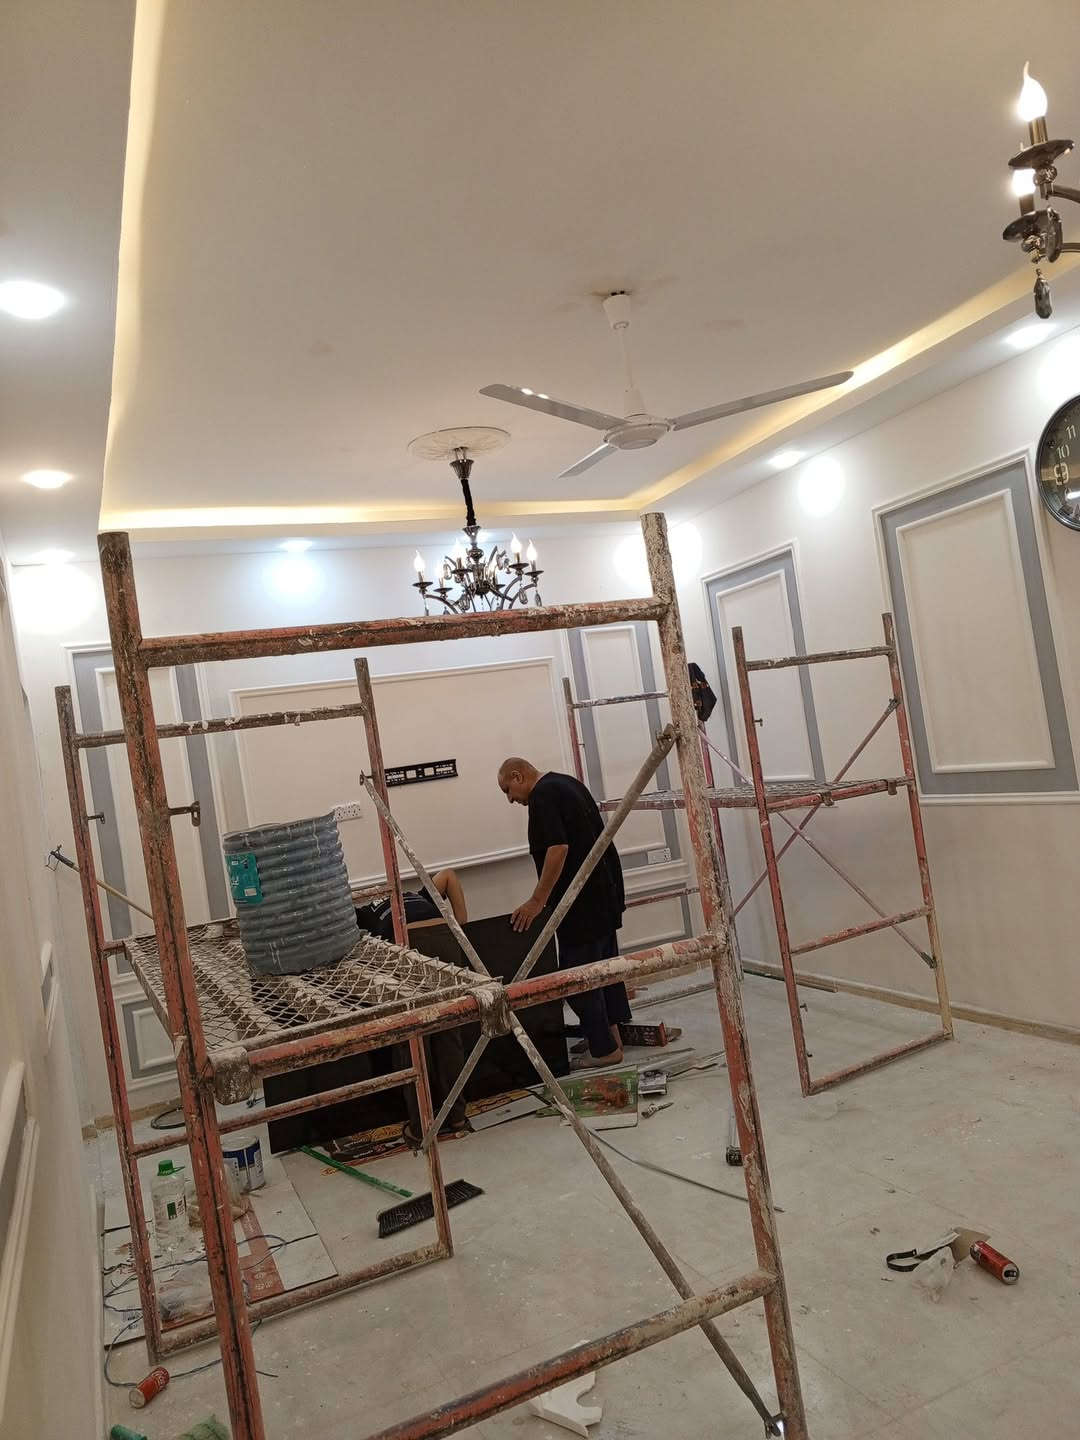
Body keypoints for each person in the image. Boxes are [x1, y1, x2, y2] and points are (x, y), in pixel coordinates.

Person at [497, 757, 630, 1069]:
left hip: (581, 905)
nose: (511, 799)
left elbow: (558, 849)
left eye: (508, 790)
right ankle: (610, 1040)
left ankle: (604, 1050)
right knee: (604, 971)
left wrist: (537, 901)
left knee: (575, 978)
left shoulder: (542, 795)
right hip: (603, 895)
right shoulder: (566, 782)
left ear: (518, 776)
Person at [355, 869, 469, 1144]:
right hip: (443, 936)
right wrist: (458, 924)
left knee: (413, 1038)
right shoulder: (418, 896)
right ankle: (457, 1117)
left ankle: (421, 1126)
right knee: (448, 1032)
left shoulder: (367, 911)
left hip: (405, 944)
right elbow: (448, 875)